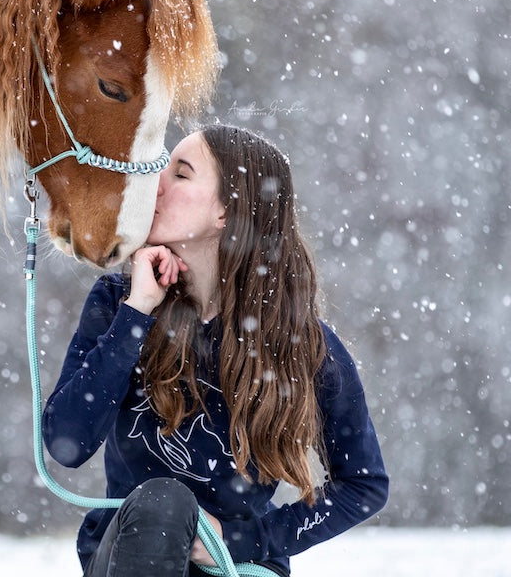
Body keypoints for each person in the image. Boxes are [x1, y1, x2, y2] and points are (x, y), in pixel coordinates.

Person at [42, 124, 389, 577]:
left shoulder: (299, 343)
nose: (156, 183)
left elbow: (363, 485)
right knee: (163, 502)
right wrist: (138, 312)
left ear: (227, 211)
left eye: (180, 174)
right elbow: (66, 443)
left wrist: (241, 540)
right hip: (126, 561)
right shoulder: (119, 303)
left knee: (169, 504)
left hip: (237, 568)